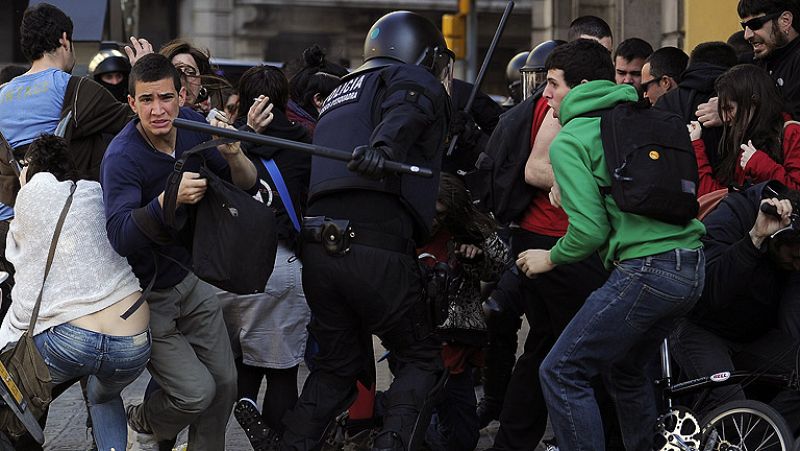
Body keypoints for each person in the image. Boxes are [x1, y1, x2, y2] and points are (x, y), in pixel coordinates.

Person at [517, 39, 706, 450]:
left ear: (581, 86)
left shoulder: (571, 139)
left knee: (561, 371)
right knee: (624, 369)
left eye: (553, 84)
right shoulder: (639, 115)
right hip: (691, 267)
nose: (546, 94)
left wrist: (549, 257)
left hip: (646, 271)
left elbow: (590, 232)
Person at [279, 10, 453, 451]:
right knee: (420, 359)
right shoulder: (412, 79)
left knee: (338, 367)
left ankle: (292, 443)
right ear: (426, 55)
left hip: (318, 250)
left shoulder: (343, 90)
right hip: (375, 247)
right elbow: (408, 109)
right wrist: (384, 148)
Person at [101, 53, 261, 450]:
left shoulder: (191, 132)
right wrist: (166, 202)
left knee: (225, 383)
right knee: (196, 393)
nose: (158, 110)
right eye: (147, 100)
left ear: (182, 97)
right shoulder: (122, 157)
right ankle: (144, 418)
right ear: (132, 104)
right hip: (147, 296)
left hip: (192, 279)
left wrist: (233, 153)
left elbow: (245, 184)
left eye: (166, 98)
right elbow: (119, 234)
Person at [483, 38, 615, 451]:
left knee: (546, 346)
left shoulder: (578, 106)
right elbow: (536, 167)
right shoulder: (563, 110)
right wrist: (576, 184)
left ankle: (513, 440)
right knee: (587, 351)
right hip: (556, 240)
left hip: (550, 239)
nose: (546, 91)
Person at [0, 134, 150, 450]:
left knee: (11, 381)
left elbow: (19, 270)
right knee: (102, 395)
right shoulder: (96, 192)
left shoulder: (33, 195)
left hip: (73, 342)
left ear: (33, 169)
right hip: (132, 343)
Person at [218, 64, 312, 450]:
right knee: (283, 372)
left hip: (229, 270)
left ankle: (242, 402)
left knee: (240, 358)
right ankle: (274, 443)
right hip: (281, 268)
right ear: (285, 101)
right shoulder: (303, 146)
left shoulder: (226, 143)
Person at [670, 181, 800, 436]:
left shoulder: (792, 242)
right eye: (794, 258)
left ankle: (761, 441)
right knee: (731, 406)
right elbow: (709, 293)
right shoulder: (733, 214)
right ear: (778, 239)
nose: (797, 266)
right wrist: (755, 239)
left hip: (753, 334)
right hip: (700, 326)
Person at [421, 173, 509, 451]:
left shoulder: (468, 230)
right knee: (412, 420)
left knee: (463, 437)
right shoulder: (405, 226)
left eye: (440, 214)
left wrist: (476, 256)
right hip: (415, 348)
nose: (433, 220)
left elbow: (499, 264)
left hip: (455, 352)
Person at [689, 64, 800, 197]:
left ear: (754, 102)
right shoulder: (745, 140)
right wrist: (696, 146)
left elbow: (796, 193)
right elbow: (718, 199)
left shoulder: (792, 133)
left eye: (729, 109)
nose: (724, 118)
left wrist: (759, 164)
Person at [655, 41, 738, 171]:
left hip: (676, 183)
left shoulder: (665, 102)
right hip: (729, 187)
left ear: (691, 65)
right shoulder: (740, 103)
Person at [738, 0, 800, 118]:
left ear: (785, 21)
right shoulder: (751, 62)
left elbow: (793, 118)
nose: (747, 35)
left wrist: (738, 111)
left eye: (755, 25)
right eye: (744, 26)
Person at [287, 44, 349, 136]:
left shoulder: (289, 123)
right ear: (318, 99)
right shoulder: (312, 135)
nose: (347, 107)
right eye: (341, 98)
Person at [159, 39, 224, 113]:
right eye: (177, 72)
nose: (184, 78)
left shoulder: (206, 121)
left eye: (190, 72)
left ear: (201, 84)